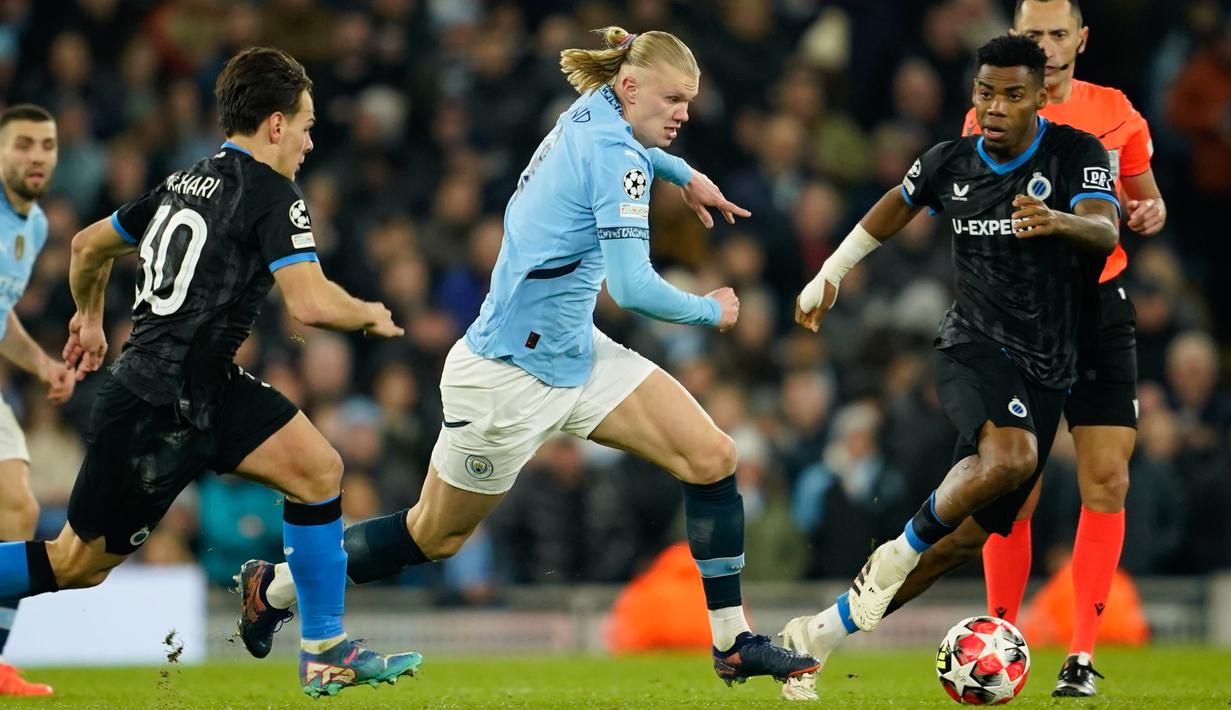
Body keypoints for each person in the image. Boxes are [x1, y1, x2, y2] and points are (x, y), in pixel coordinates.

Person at [236, 26, 819, 688]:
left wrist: (688, 175)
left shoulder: (598, 107)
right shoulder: (616, 157)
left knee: (713, 457)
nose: (684, 112)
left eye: (688, 99)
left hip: (576, 354)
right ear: (630, 88)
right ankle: (276, 587)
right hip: (506, 379)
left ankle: (730, 640)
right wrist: (709, 310)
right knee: (434, 536)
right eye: (673, 99)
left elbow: (636, 150)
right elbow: (630, 288)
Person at [0, 47, 420, 699]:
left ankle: (323, 649)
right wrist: (367, 312)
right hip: (151, 404)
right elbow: (309, 302)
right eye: (305, 126)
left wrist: (87, 316)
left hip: (208, 387)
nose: (310, 142)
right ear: (275, 125)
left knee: (319, 471)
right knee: (75, 565)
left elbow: (89, 246)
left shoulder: (184, 180)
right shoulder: (273, 194)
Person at [777, 35, 1120, 702]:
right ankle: (896, 551)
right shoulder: (949, 161)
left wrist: (1055, 220)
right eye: (985, 92)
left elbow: (1105, 229)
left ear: (1040, 97)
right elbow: (891, 209)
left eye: (1011, 95)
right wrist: (830, 273)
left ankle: (814, 637)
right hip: (971, 347)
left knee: (961, 542)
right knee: (1015, 457)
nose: (994, 107)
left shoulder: (1074, 154)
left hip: (1047, 367)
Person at [959, 0, 1166, 696]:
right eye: (1033, 33)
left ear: (1080, 37)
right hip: (1019, 314)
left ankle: (1079, 656)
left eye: (1055, 33)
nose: (1044, 46)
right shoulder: (989, 112)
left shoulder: (1115, 112)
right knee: (1012, 484)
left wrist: (1147, 209)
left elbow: (1144, 197)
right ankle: (999, 637)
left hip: (1098, 309)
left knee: (1106, 478)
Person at [0, 104, 77, 697]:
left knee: (18, 513)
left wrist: (42, 363)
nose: (36, 156)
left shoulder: (34, 227)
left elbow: (2, 322)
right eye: (23, 144)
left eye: (46, 146)